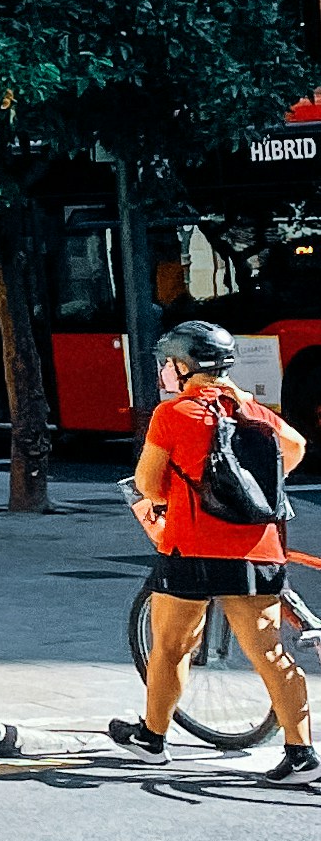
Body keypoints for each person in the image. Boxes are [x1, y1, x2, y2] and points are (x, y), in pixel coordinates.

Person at [114, 319, 317, 780]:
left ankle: (152, 739)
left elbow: (148, 483)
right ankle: (301, 754)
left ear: (182, 367)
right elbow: (297, 446)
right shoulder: (250, 410)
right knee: (270, 653)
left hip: (193, 550)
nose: (164, 372)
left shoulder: (173, 414)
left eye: (166, 364)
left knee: (170, 646)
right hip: (258, 549)